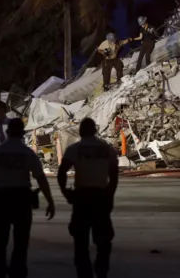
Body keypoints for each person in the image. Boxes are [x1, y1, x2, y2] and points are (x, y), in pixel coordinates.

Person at [0, 118, 55, 278]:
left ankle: (0, 270)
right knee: (21, 241)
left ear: (7, 132)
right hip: (21, 200)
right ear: (21, 133)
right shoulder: (27, 153)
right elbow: (40, 178)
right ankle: (17, 271)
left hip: (1, 201)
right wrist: (50, 201)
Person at [57, 118, 119, 278]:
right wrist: (109, 196)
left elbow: (62, 171)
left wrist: (66, 192)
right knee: (104, 239)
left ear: (81, 131)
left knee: (80, 240)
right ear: (95, 130)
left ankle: (84, 272)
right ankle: (101, 269)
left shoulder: (75, 149)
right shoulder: (107, 149)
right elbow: (113, 176)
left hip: (82, 198)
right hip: (101, 197)